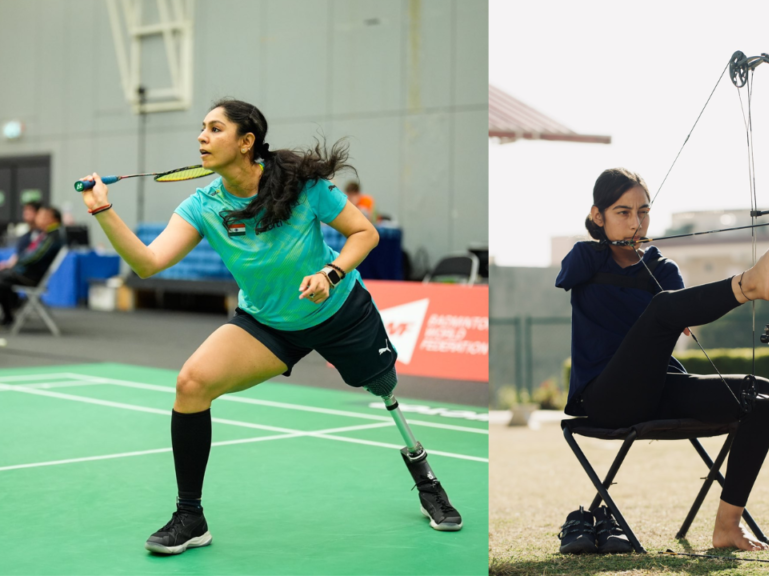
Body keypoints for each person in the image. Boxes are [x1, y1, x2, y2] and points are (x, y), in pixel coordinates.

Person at [78, 98, 461, 556]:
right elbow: (147, 263)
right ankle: (190, 516)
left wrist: (331, 273)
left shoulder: (303, 187)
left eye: (214, 129)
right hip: (268, 324)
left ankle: (425, 478)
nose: (202, 136)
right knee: (192, 383)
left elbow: (365, 233)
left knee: (383, 387)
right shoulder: (203, 205)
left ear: (246, 142)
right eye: (201, 128)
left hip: (339, 310)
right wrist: (103, 211)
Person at [555, 168, 769, 553]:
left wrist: (678, 306)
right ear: (597, 216)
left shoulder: (663, 270)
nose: (636, 223)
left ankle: (727, 528)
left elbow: (681, 316)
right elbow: (575, 272)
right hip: (605, 399)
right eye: (622, 213)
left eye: (644, 212)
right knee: (661, 308)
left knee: (762, 397)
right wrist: (613, 247)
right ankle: (748, 284)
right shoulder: (585, 258)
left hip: (659, 390)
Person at [0, 205, 64, 326]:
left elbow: (34, 256)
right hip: (27, 273)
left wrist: (14, 264)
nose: (38, 219)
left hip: (31, 277)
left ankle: (9, 315)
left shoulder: (53, 236)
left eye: (42, 216)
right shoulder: (47, 233)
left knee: (2, 280)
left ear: (52, 219)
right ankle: (11, 310)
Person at [1, 200, 42, 270]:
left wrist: (9, 265)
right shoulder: (25, 236)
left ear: (38, 213)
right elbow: (18, 255)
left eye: (30, 210)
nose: (26, 213)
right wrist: (7, 264)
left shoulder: (42, 235)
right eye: (25, 210)